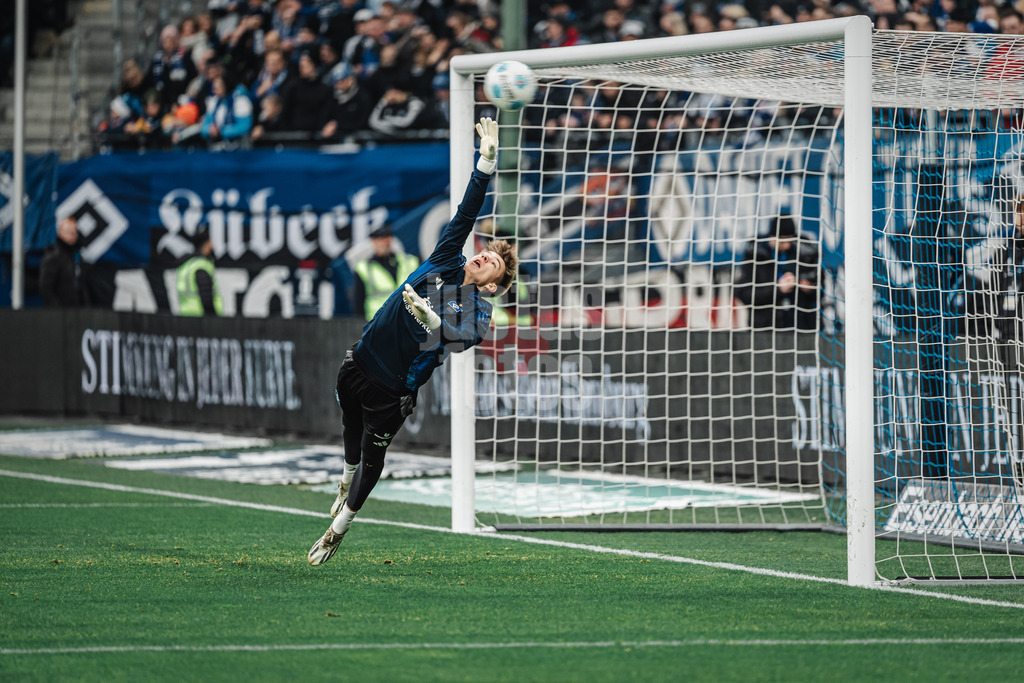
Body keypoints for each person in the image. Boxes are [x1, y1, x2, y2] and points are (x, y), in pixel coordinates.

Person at [307, 117, 517, 566]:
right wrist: (486, 162)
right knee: (347, 420)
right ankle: (344, 480)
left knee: (373, 453)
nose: (484, 257)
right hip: (361, 358)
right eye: (488, 252)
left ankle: (339, 528)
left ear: (492, 286)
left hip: (392, 387)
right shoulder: (446, 257)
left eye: (493, 265)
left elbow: (462, 339)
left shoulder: (480, 309)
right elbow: (465, 212)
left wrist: (433, 321)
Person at [734, 215, 820, 330]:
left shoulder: (805, 253)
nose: (787, 245)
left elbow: (821, 292)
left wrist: (809, 288)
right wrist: (778, 289)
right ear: (772, 237)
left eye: (790, 241)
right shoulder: (754, 255)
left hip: (801, 327)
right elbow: (744, 295)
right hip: (765, 329)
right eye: (783, 241)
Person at [353, 225, 420, 321]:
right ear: (373, 241)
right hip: (379, 324)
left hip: (408, 321)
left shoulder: (410, 262)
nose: (385, 242)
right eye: (381, 239)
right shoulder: (363, 268)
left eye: (388, 237)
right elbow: (358, 304)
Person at [39, 216, 86, 307]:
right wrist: (56, 310)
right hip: (59, 313)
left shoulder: (77, 256)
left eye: (74, 232)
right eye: (68, 232)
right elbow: (45, 287)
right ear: (60, 233)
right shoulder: (53, 256)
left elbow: (82, 286)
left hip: (77, 312)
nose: (72, 235)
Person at [176, 225, 223, 316]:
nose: (212, 245)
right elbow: (206, 299)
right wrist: (213, 319)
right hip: (201, 321)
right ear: (206, 245)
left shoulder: (186, 265)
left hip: (185, 318)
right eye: (210, 242)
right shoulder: (201, 266)